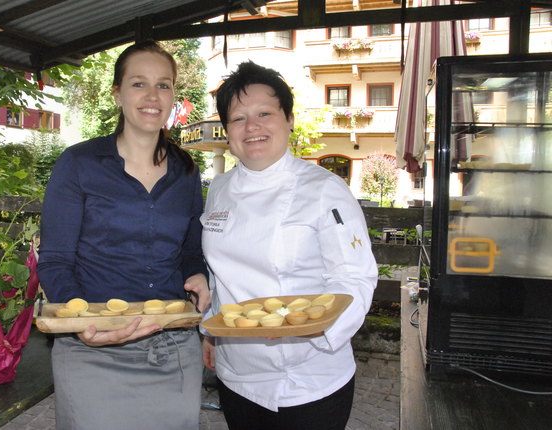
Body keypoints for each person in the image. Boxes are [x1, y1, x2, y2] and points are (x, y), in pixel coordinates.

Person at [37, 40, 210, 430]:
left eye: (163, 85)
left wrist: (198, 274)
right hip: (92, 347)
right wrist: (84, 324)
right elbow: (55, 260)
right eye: (138, 84)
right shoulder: (79, 164)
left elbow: (190, 253)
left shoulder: (186, 171)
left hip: (171, 346)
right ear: (117, 93)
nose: (152, 96)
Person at [200, 61, 378, 430]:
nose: (252, 127)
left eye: (265, 113)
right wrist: (212, 332)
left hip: (306, 377)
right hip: (236, 373)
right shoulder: (218, 189)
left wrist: (308, 328)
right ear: (227, 129)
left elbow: (355, 278)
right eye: (238, 118)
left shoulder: (324, 188)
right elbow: (219, 275)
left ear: (289, 119)